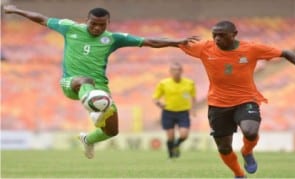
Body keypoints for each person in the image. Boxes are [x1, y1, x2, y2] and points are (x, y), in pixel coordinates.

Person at [4, 5, 198, 159]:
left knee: (112, 130)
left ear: (108, 23)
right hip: (71, 83)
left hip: (100, 88)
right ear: (87, 20)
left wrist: (176, 42)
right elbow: (41, 19)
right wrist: (15, 10)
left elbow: (149, 41)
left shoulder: (113, 38)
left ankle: (88, 138)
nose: (97, 28)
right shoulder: (69, 27)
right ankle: (95, 109)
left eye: (102, 25)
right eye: (93, 24)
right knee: (85, 81)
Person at [178, 20, 295, 178]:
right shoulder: (205, 47)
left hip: (246, 100)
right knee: (224, 148)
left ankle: (247, 151)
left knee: (250, 131)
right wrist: (152, 41)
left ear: (234, 34)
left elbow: (286, 53)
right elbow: (168, 44)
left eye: (221, 35)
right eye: (215, 35)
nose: (217, 39)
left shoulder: (251, 49)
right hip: (218, 105)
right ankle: (239, 174)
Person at [153, 62, 196, 159]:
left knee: (184, 135)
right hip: (168, 112)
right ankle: (171, 155)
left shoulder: (189, 83)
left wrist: (193, 109)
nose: (176, 72)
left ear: (182, 71)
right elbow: (155, 98)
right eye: (174, 70)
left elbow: (193, 97)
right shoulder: (163, 83)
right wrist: (159, 103)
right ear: (170, 72)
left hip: (183, 112)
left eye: (178, 70)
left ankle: (176, 145)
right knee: (170, 136)